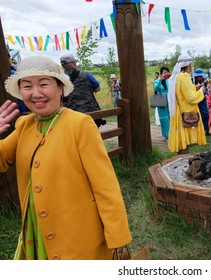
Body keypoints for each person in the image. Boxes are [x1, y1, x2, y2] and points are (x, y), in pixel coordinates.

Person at [1, 56, 132, 260]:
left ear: (60, 88)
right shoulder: (23, 125)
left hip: (77, 235)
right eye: (27, 86)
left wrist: (117, 235)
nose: (36, 93)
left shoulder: (80, 125)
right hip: (36, 231)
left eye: (44, 84)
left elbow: (104, 184)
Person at [167, 54, 206, 154]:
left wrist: (194, 88)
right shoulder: (185, 77)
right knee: (185, 143)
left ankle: (179, 161)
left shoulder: (177, 76)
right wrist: (201, 91)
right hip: (185, 112)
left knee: (181, 141)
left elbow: (182, 92)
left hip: (178, 111)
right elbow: (190, 98)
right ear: (188, 65)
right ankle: (184, 163)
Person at [59, 53, 106, 127]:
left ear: (63, 66)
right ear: (74, 63)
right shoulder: (86, 75)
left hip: (70, 116)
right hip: (91, 114)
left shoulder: (59, 79)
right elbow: (98, 88)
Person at [153, 66, 170, 140]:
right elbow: (156, 88)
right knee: (164, 119)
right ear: (161, 74)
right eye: (164, 73)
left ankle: (172, 135)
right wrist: (160, 79)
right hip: (161, 101)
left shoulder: (169, 80)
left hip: (169, 102)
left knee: (170, 118)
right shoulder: (157, 81)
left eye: (167, 72)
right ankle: (167, 136)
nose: (166, 74)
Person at [192, 68, 210, 135]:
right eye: (198, 76)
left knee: (206, 114)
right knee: (198, 115)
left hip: (203, 100)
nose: (200, 77)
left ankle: (206, 128)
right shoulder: (193, 82)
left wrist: (206, 94)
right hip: (196, 100)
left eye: (201, 76)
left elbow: (206, 90)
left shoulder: (204, 82)